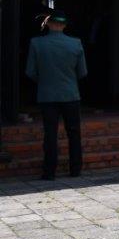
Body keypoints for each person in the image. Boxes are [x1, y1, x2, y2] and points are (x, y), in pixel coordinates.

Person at [26, 10, 87, 180]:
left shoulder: (36, 43)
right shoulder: (76, 43)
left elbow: (30, 71)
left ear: (48, 24)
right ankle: (75, 169)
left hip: (47, 95)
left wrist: (45, 80)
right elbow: (82, 72)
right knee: (74, 133)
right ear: (64, 25)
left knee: (50, 134)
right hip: (71, 94)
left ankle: (49, 171)